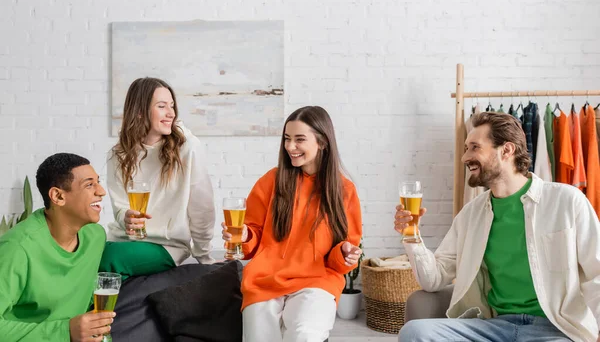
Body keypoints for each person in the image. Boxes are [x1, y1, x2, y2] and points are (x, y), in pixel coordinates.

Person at [395, 112, 600, 342]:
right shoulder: (470, 215)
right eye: (466, 148)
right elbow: (433, 278)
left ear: (507, 150)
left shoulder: (566, 201)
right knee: (414, 332)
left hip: (554, 331)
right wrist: (411, 235)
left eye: (474, 147)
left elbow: (597, 273)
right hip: (493, 327)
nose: (465, 157)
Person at [222, 106, 363, 342]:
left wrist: (346, 253)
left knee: (303, 335)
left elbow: (343, 252)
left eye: (299, 140)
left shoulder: (344, 190)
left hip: (317, 281)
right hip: (265, 281)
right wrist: (245, 235)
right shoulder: (270, 181)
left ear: (322, 142)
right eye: (287, 139)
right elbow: (253, 239)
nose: (290, 147)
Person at [102, 77, 215, 279]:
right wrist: (124, 217)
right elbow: (119, 206)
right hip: (123, 241)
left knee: (109, 258)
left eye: (171, 106)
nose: (171, 113)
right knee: (86, 248)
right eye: (162, 106)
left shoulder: (187, 148)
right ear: (139, 111)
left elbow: (202, 207)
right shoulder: (118, 154)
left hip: (166, 246)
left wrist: (204, 254)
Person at [0, 153, 114, 342]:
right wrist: (65, 331)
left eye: (98, 182)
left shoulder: (95, 236)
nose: (101, 191)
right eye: (89, 184)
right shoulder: (17, 248)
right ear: (58, 196)